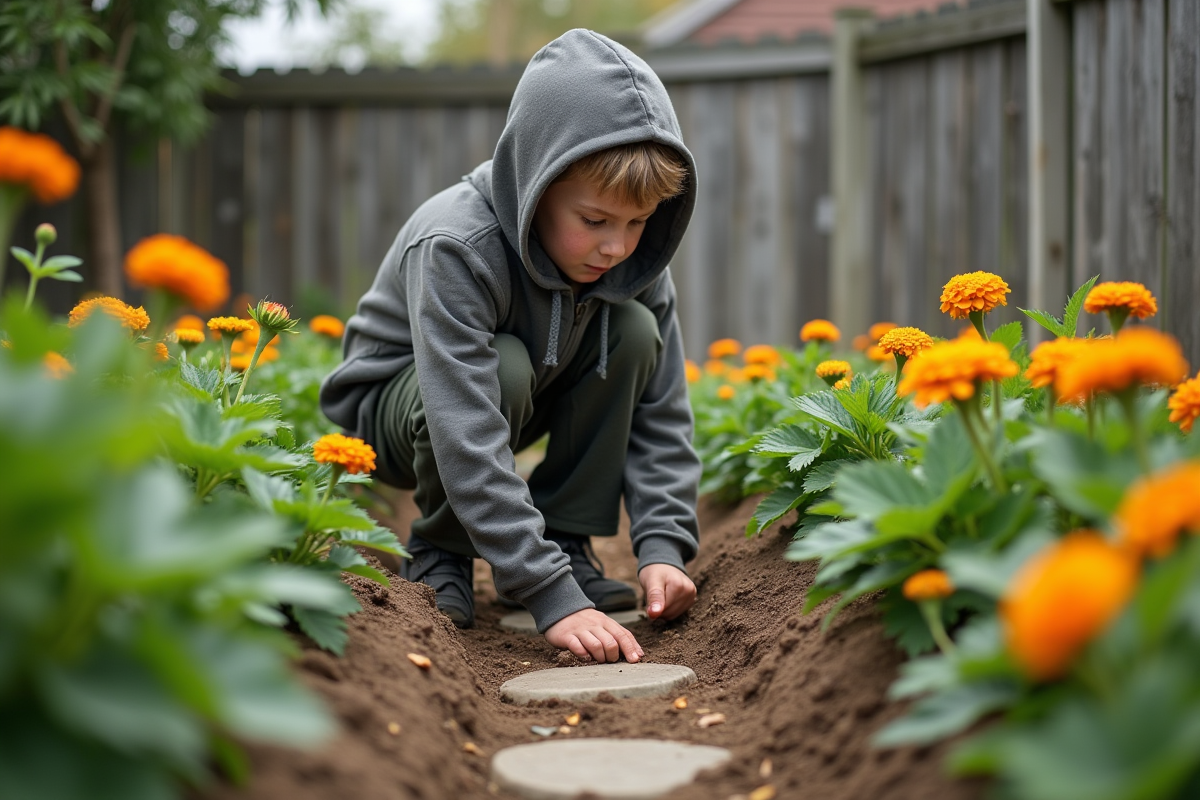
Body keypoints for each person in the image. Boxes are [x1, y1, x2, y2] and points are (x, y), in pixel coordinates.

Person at [320, 28, 700, 665]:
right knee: (504, 364)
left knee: (633, 332)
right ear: (536, 183)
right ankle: (442, 549)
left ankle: (568, 537)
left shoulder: (633, 266)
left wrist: (663, 547)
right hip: (394, 412)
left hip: (520, 391)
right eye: (595, 221)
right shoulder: (457, 247)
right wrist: (548, 594)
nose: (618, 247)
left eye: (638, 223)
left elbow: (662, 414)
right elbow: (463, 423)